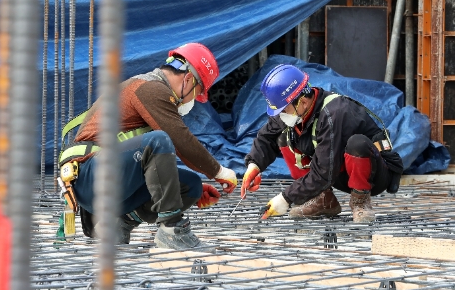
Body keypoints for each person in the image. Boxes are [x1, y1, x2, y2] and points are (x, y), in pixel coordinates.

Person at [58, 43, 238, 250]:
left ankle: (117, 225)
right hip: (90, 178)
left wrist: (173, 186)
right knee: (159, 140)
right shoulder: (150, 88)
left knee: (190, 185)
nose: (195, 100)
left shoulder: (147, 89)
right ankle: (172, 230)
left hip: (107, 180)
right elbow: (179, 138)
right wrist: (218, 171)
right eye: (197, 94)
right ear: (188, 79)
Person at [240, 64, 403, 223]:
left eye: (283, 110)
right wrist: (254, 165)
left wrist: (285, 198)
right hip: (336, 170)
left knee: (357, 144)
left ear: (302, 101)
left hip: (373, 174)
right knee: (284, 138)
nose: (281, 115)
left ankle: (360, 202)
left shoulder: (333, 114)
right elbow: (266, 136)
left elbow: (324, 174)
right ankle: (321, 199)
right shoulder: (296, 109)